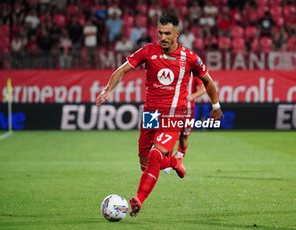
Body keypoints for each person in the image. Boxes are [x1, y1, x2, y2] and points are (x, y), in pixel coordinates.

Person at [96, 14, 223, 217]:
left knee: (156, 155)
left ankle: (138, 200)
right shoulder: (148, 51)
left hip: (174, 115)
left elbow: (208, 81)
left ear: (177, 34)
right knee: (145, 164)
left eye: (167, 33)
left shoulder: (189, 57)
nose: (162, 37)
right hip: (151, 114)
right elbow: (122, 69)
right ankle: (173, 161)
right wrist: (107, 90)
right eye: (160, 33)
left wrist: (215, 105)